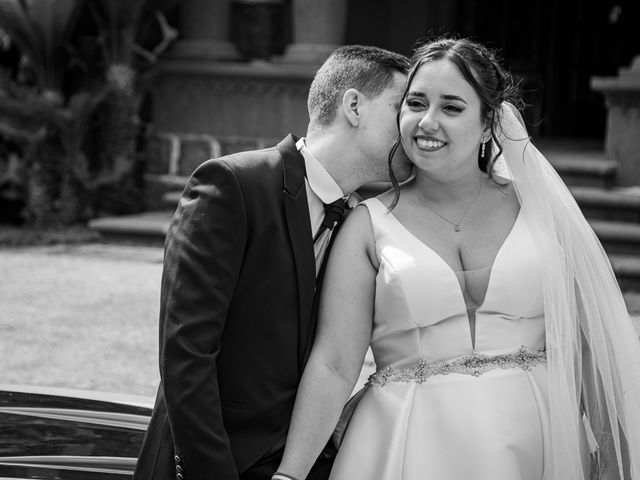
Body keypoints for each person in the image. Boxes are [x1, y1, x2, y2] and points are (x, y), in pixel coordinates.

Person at [273, 37, 640, 480]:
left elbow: (586, 348)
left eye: (451, 107)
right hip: (406, 442)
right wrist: (290, 475)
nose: (428, 122)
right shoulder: (366, 225)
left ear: (488, 123)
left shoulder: (540, 212)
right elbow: (333, 363)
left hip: (537, 438)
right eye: (415, 103)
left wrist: (615, 454)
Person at [132, 45, 412, 480]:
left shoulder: (367, 225)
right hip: (214, 461)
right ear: (354, 106)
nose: (415, 125)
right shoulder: (233, 184)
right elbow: (186, 353)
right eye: (403, 106)